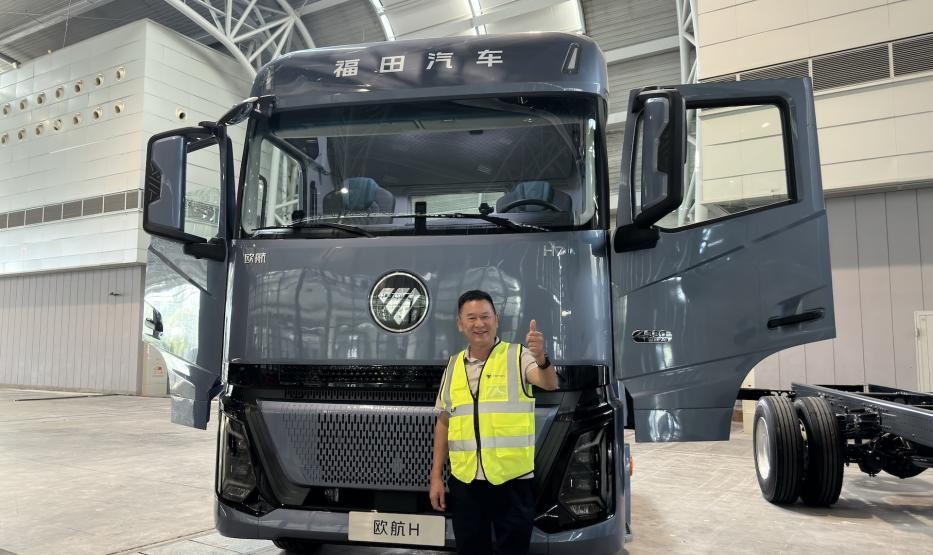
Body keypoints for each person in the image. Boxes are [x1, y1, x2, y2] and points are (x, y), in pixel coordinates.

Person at [429, 289, 558, 555]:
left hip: (512, 481)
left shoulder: (518, 355)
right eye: (471, 318)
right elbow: (444, 422)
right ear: (460, 324)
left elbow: (548, 383)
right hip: (465, 482)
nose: (479, 324)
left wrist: (542, 359)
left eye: (485, 316)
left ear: (496, 319)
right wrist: (435, 477)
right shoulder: (452, 366)